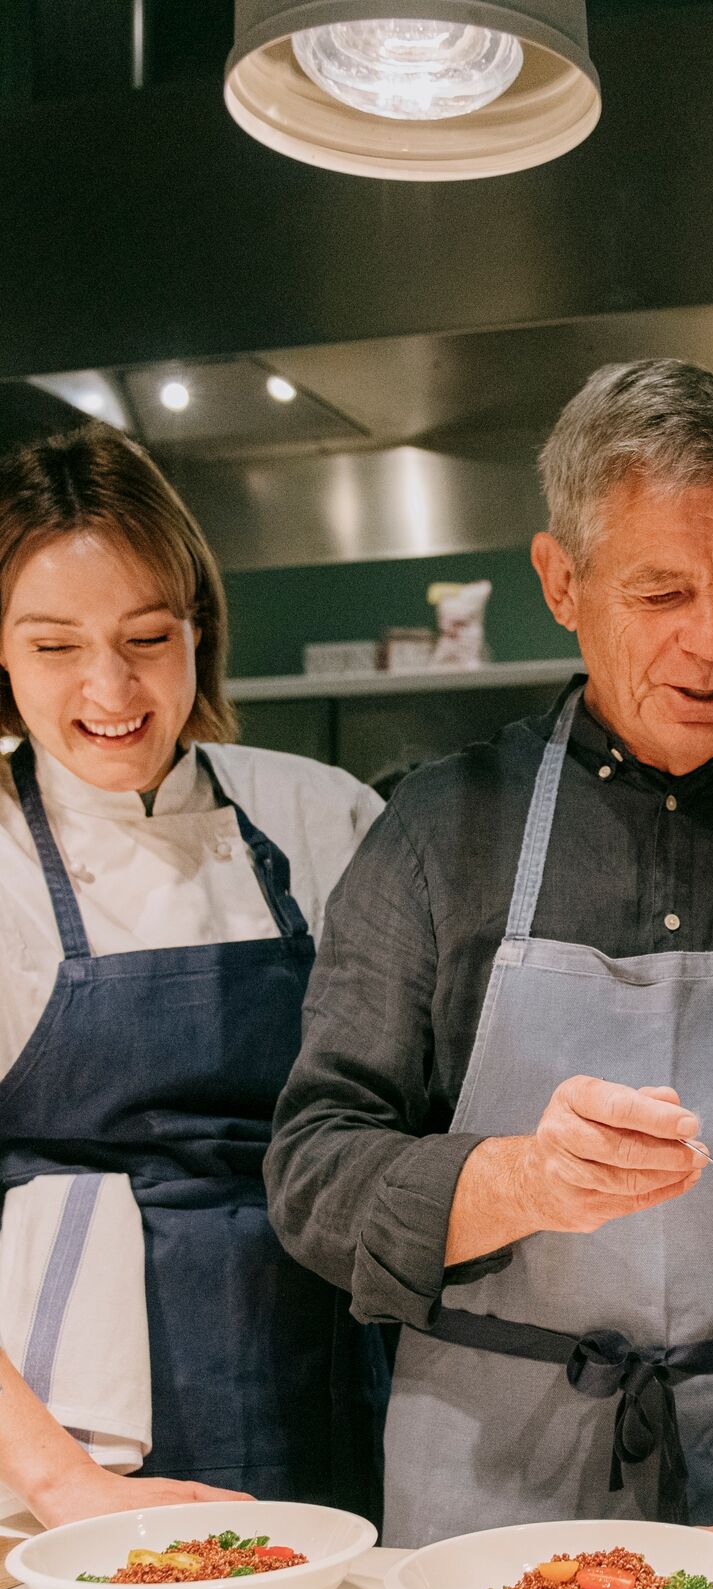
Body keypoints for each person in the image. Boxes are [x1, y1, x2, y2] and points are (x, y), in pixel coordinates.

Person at [265, 359, 713, 1548]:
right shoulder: (437, 834)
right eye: (661, 594)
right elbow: (316, 1170)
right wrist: (520, 1182)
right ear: (561, 580)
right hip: (488, 1479)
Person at [0, 423, 388, 1526]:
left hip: (322, 1367)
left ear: (198, 631)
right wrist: (60, 1483)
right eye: (55, 646)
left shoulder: (325, 814)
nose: (111, 688)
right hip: (71, 1432)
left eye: (147, 636)